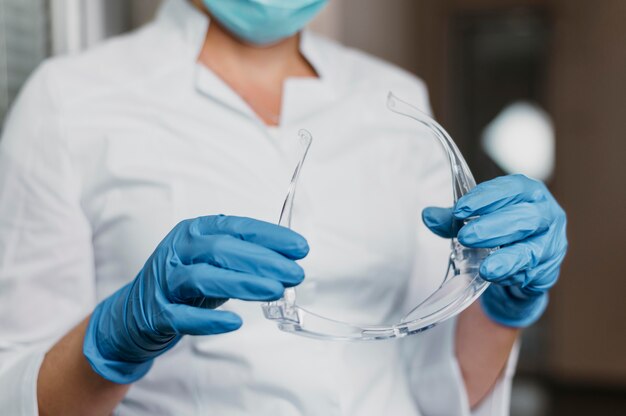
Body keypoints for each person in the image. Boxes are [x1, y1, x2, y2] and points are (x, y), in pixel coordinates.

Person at [0, 0, 567, 415]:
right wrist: (110, 344)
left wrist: (501, 308)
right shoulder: (68, 100)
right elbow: (14, 393)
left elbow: (439, 390)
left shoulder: (394, 98)